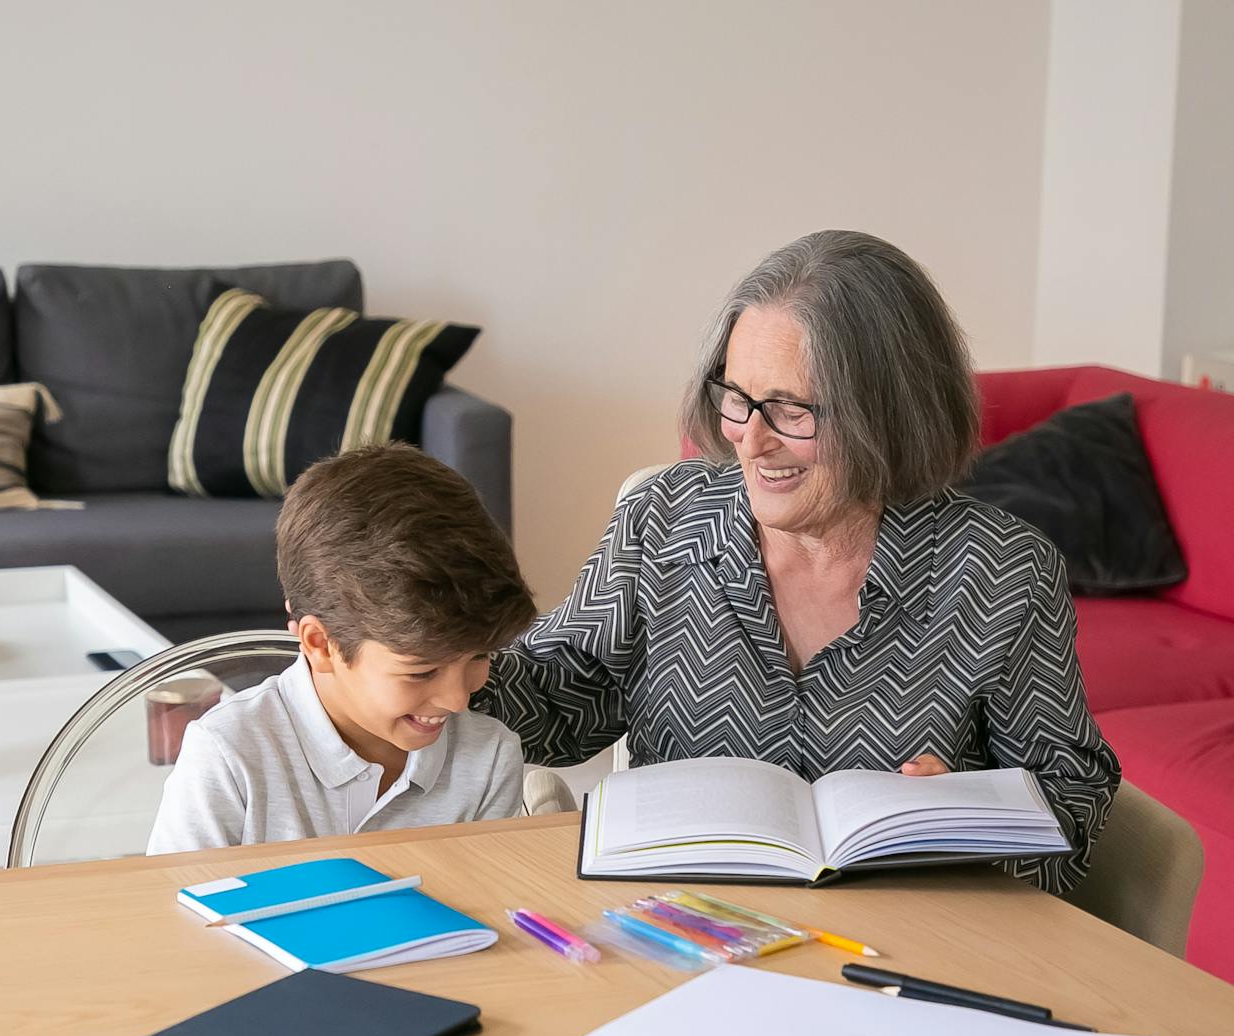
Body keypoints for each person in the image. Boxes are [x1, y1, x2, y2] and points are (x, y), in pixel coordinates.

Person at [473, 229, 1120, 893]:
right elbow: (555, 703)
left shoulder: (1002, 571)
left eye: (788, 409)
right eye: (738, 397)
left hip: (904, 945)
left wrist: (971, 825)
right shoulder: (663, 522)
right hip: (683, 925)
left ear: (888, 412)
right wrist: (441, 659)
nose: (749, 440)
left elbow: (1071, 791)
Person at [147, 443, 537, 855]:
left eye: (480, 656)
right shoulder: (228, 754)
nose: (458, 699)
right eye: (421, 672)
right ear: (320, 644)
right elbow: (170, 913)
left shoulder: (490, 757)